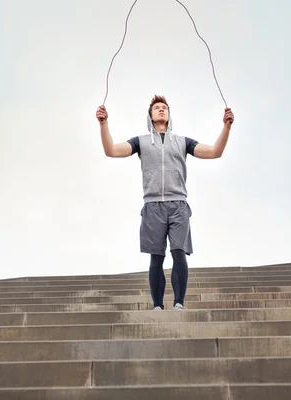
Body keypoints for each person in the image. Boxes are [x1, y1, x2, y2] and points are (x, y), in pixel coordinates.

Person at [96, 95, 234, 310]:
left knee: (179, 251)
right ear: (150, 116)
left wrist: (226, 126)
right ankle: (158, 306)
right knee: (156, 257)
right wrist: (104, 124)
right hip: (152, 206)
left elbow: (215, 152)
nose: (161, 110)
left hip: (178, 203)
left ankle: (179, 303)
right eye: (157, 108)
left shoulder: (182, 142)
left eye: (165, 108)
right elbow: (111, 151)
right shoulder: (140, 142)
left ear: (169, 115)